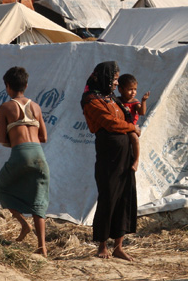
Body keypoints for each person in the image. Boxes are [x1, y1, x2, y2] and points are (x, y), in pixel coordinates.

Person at [81, 61, 137, 260]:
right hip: (108, 154)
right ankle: (102, 245)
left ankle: (118, 246)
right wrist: (132, 128)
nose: (116, 83)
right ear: (104, 77)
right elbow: (110, 123)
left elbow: (126, 117)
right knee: (108, 196)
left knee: (124, 197)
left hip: (124, 154)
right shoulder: (91, 99)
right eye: (113, 79)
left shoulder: (111, 98)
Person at [0, 67, 50, 254]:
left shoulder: (5, 107)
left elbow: (3, 139)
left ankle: (23, 224)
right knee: (39, 200)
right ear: (26, 85)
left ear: (7, 86)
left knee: (3, 188)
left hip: (20, 153)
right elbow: (44, 138)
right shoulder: (36, 107)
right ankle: (42, 246)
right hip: (39, 155)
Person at [118, 74, 149, 172]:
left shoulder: (134, 102)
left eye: (135, 89)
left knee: (134, 138)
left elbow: (142, 112)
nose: (133, 92)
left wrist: (143, 101)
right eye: (130, 89)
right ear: (120, 90)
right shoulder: (117, 101)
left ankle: (136, 161)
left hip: (131, 127)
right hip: (120, 126)